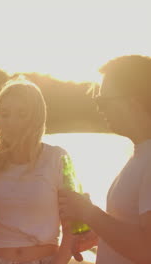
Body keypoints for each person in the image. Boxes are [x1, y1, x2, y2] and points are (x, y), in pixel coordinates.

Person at [0, 76, 74, 264]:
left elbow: (72, 225)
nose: (11, 122)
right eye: (5, 114)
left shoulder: (56, 158)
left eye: (22, 114)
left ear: (36, 117)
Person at [59, 55, 151, 264]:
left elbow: (148, 249)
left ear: (132, 103)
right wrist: (100, 235)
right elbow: (133, 230)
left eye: (103, 101)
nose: (99, 108)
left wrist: (89, 213)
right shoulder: (141, 154)